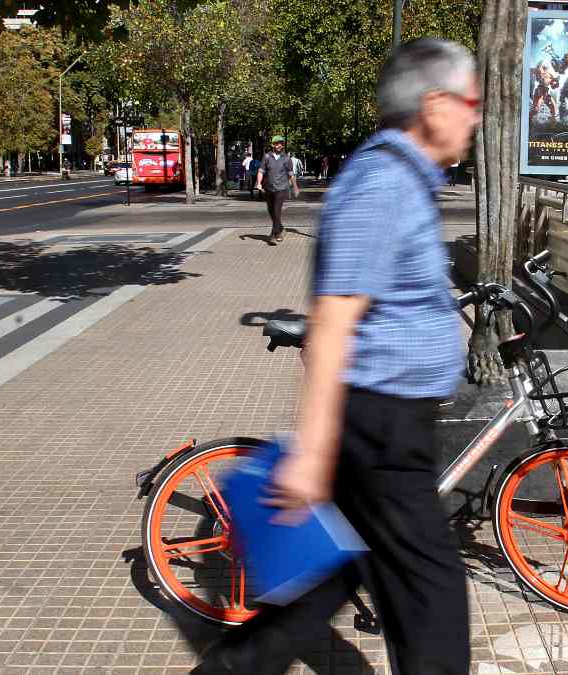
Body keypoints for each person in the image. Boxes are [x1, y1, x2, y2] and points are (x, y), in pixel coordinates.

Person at [196, 38, 481, 675]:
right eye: (471, 101)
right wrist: (316, 454)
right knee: (431, 595)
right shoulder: (383, 183)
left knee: (323, 581)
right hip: (379, 425)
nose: (476, 116)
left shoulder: (403, 179)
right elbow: (331, 327)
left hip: (387, 420)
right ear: (435, 105)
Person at [255, 135, 299, 243]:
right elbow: (261, 171)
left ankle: (274, 234)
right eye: (277, 143)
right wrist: (259, 183)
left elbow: (290, 174)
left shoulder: (287, 158)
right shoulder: (266, 157)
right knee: (271, 211)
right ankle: (279, 227)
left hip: (281, 188)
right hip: (269, 188)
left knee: (276, 210)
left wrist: (295, 187)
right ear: (273, 145)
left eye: (281, 143)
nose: (280, 145)